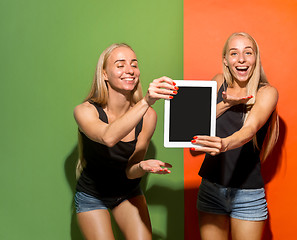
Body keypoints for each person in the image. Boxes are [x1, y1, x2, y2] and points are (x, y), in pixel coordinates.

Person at [73, 43, 178, 240]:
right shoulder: (85, 111)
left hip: (127, 192)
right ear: (104, 74)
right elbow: (108, 137)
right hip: (92, 196)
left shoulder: (148, 117)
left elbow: (130, 171)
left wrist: (142, 166)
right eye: (120, 65)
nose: (129, 70)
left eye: (134, 64)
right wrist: (146, 101)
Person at [191, 32, 279, 240]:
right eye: (234, 53)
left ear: (256, 58)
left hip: (247, 195)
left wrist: (224, 144)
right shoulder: (217, 82)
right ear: (226, 60)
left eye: (248, 52)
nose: (241, 59)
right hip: (211, 188)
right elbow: (197, 124)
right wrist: (228, 103)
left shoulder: (267, 92)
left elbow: (250, 129)